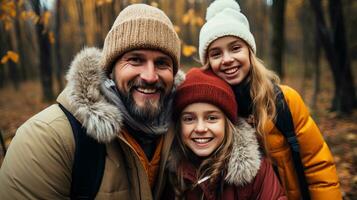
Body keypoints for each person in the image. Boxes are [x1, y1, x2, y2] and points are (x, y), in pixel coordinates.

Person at [0, 4, 183, 199]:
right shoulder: (47, 139)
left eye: (162, 63)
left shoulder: (184, 131)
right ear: (111, 70)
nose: (150, 76)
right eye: (135, 60)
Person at [198, 0, 342, 199]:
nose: (227, 59)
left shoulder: (284, 101)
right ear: (208, 63)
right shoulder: (207, 113)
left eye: (235, 48)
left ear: (249, 51)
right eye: (216, 53)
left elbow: (318, 165)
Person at [164, 68, 287, 200]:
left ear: (227, 123)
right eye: (189, 119)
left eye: (211, 118)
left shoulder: (257, 173)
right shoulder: (170, 173)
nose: (200, 128)